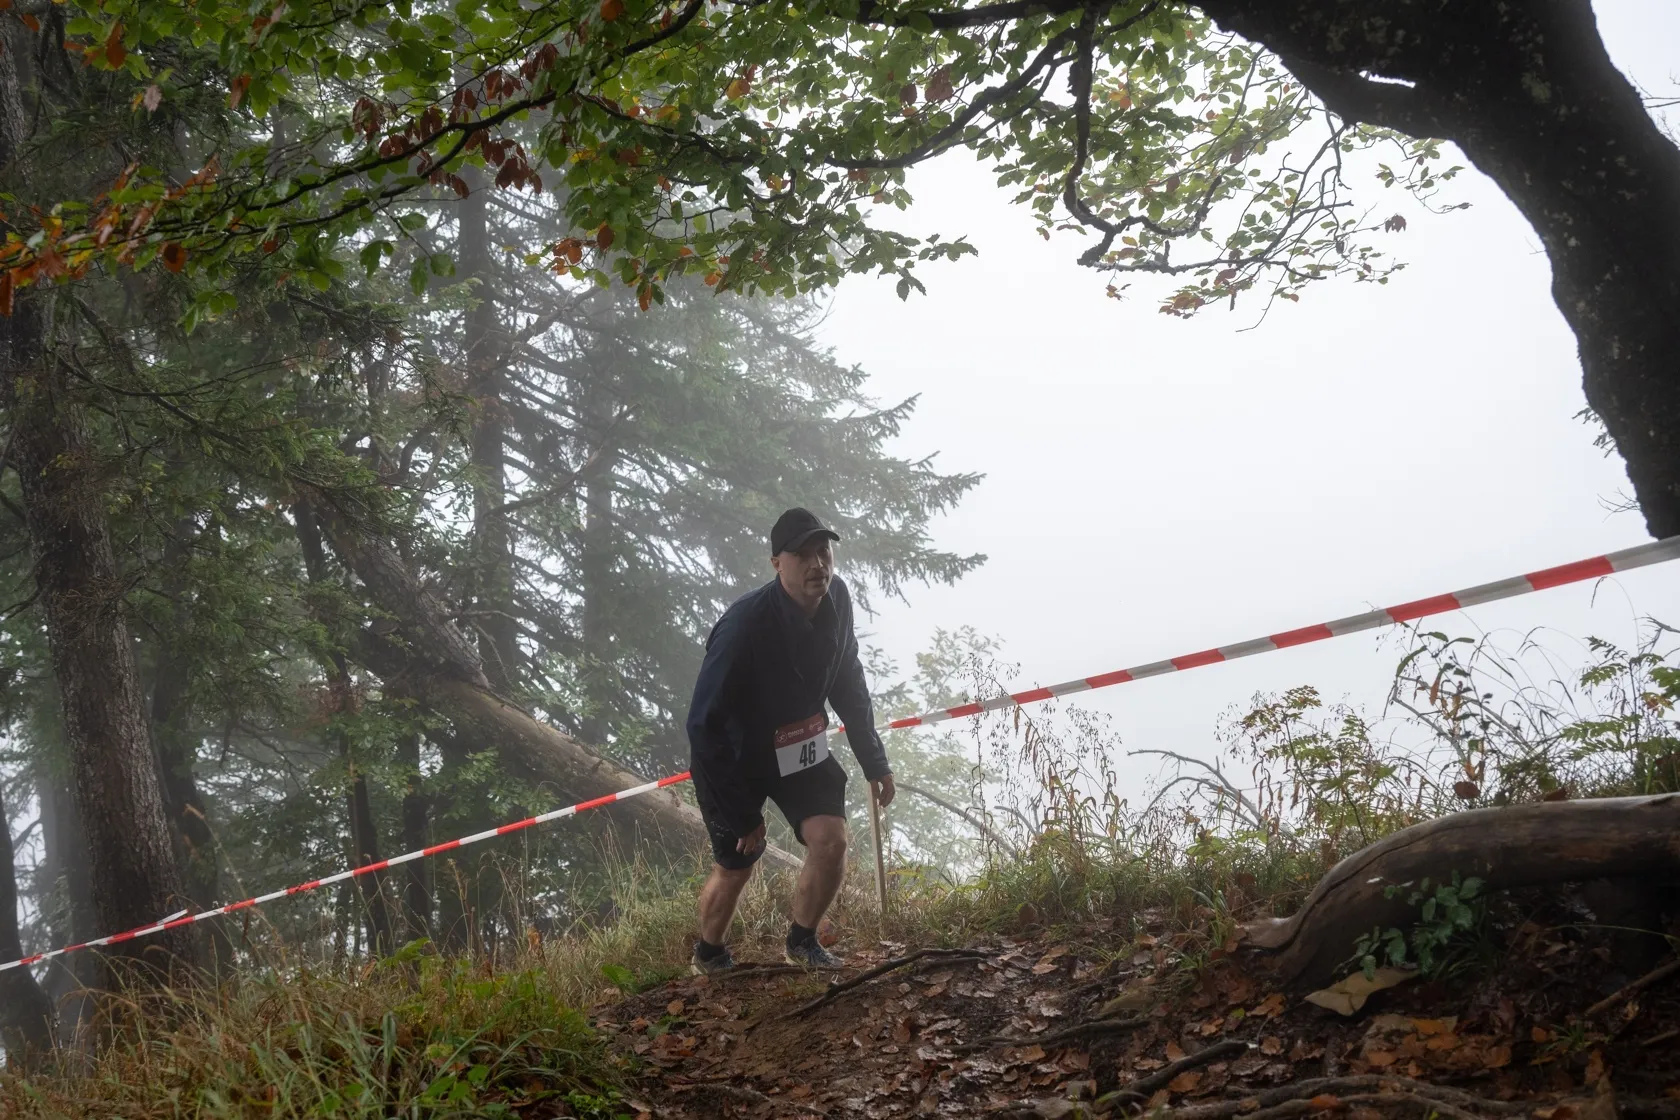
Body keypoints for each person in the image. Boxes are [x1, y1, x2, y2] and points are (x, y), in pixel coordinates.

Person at [685, 507, 896, 972]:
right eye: (802, 555)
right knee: (739, 862)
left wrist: (873, 760)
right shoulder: (742, 626)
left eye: (824, 552)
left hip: (798, 742)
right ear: (777, 563)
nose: (817, 564)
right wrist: (742, 815)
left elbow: (848, 680)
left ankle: (802, 943)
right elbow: (702, 725)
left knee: (831, 841)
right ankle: (709, 952)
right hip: (732, 755)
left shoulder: (838, 599)